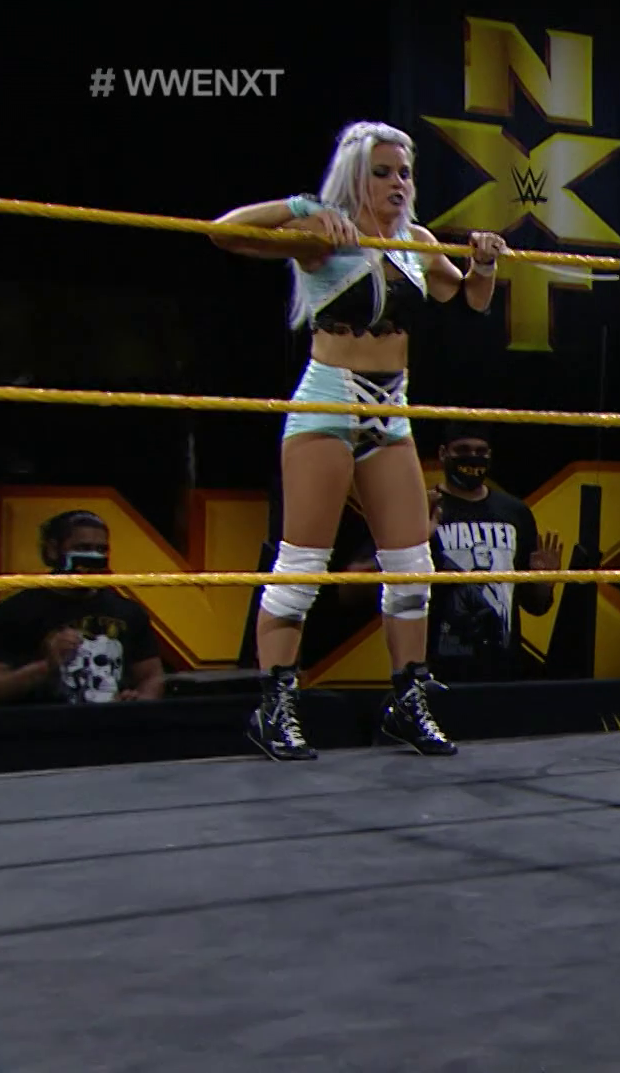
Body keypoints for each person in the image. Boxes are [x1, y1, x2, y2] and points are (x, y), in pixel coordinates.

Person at [209, 120, 509, 762]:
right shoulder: (325, 234)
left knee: (412, 566)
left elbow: (470, 301)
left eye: (405, 172)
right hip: (329, 401)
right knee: (302, 566)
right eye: (382, 172)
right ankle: (274, 704)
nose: (398, 183)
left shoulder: (417, 242)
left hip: (391, 410)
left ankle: (407, 700)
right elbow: (224, 232)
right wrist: (301, 207)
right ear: (355, 177)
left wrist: (483, 263)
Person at [345, 421, 562, 682]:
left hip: (504, 674)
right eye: (463, 450)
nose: (472, 457)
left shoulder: (515, 513)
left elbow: (535, 605)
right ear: (443, 453)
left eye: (480, 451)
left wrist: (544, 583)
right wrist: (411, 542)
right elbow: (351, 589)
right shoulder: (421, 508)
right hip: (437, 672)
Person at [0, 510, 165, 706]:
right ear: (53, 550)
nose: (94, 556)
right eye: (83, 547)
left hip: (111, 722)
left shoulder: (128, 612)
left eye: (101, 549)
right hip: (45, 723)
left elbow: (151, 676)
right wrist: (46, 667)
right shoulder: (15, 612)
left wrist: (140, 701)